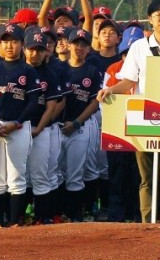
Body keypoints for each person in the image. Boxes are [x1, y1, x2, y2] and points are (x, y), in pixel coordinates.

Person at [0, 23, 39, 228]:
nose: (9, 46)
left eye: (14, 41)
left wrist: (17, 122)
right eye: (5, 41)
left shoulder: (28, 70)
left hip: (19, 126)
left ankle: (15, 222)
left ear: (22, 45)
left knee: (17, 177)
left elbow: (33, 101)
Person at [58, 28, 103, 221]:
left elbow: (94, 103)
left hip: (80, 127)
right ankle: (58, 214)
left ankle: (75, 216)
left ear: (88, 48)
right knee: (57, 173)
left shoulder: (92, 71)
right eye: (76, 43)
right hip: (57, 127)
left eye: (84, 45)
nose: (79, 48)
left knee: (76, 174)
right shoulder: (59, 69)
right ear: (68, 44)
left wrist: (77, 122)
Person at [22, 26, 65, 224]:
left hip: (42, 129)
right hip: (18, 128)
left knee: (41, 174)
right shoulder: (16, 70)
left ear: (46, 51)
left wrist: (39, 128)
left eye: (39, 49)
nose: (35, 53)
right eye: (31, 48)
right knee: (19, 176)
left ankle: (43, 217)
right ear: (24, 48)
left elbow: (52, 106)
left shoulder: (50, 74)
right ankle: (17, 216)